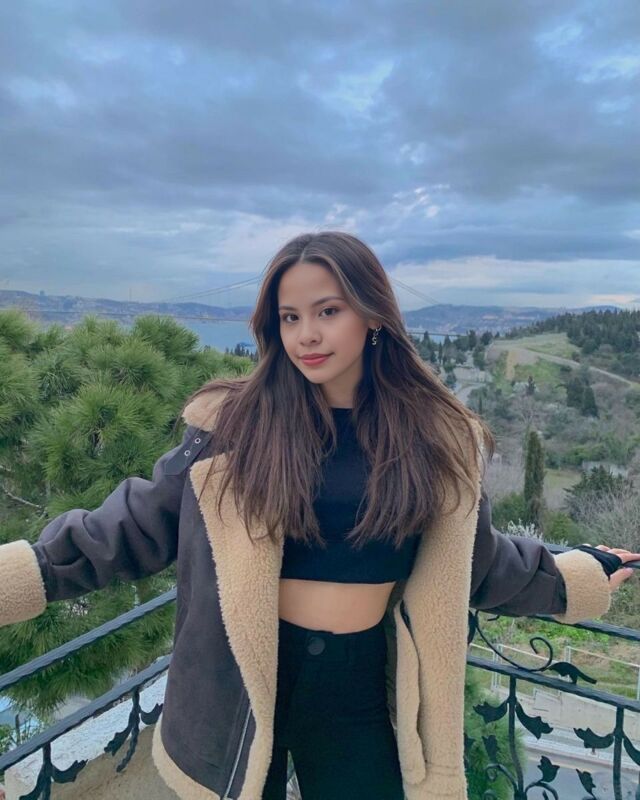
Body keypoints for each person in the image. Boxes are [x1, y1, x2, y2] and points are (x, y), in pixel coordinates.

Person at [0, 230, 638, 800]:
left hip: (361, 683)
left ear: (372, 314)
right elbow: (130, 527)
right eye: (290, 317)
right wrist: (22, 575)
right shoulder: (233, 428)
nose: (306, 334)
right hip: (238, 687)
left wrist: (573, 575)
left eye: (328, 311)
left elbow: (478, 561)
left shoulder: (434, 439)